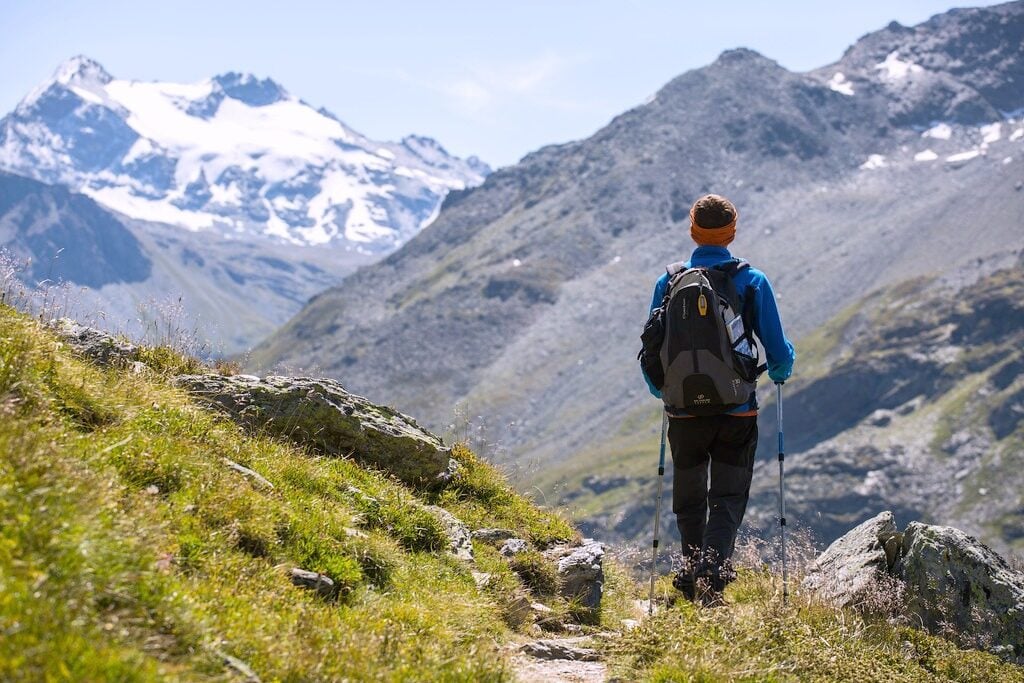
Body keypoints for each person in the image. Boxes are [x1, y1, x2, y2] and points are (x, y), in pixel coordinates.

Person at [642, 193, 795, 604]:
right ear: (732, 232)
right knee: (727, 495)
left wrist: (663, 389)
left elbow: (651, 348)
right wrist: (781, 370)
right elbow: (778, 353)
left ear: (692, 230)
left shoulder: (670, 281)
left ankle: (692, 570)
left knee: (689, 495)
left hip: (683, 412)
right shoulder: (751, 281)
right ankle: (711, 572)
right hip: (736, 409)